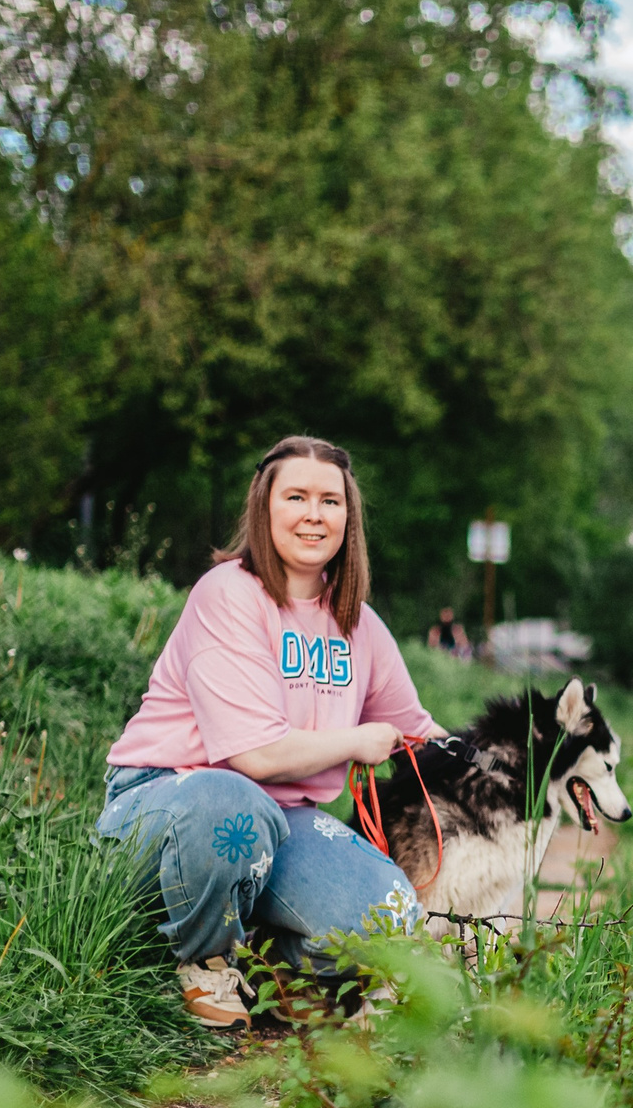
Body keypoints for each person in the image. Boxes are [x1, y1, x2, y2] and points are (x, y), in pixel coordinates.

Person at [98, 434, 444, 1026]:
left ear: (348, 517)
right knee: (233, 804)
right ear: (265, 505)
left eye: (330, 501)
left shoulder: (357, 623)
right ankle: (200, 960)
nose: (314, 514)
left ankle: (268, 968)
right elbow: (254, 756)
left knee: (390, 914)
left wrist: (514, 759)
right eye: (296, 497)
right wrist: (358, 741)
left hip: (284, 823)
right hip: (173, 802)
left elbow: (421, 734)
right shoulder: (229, 594)